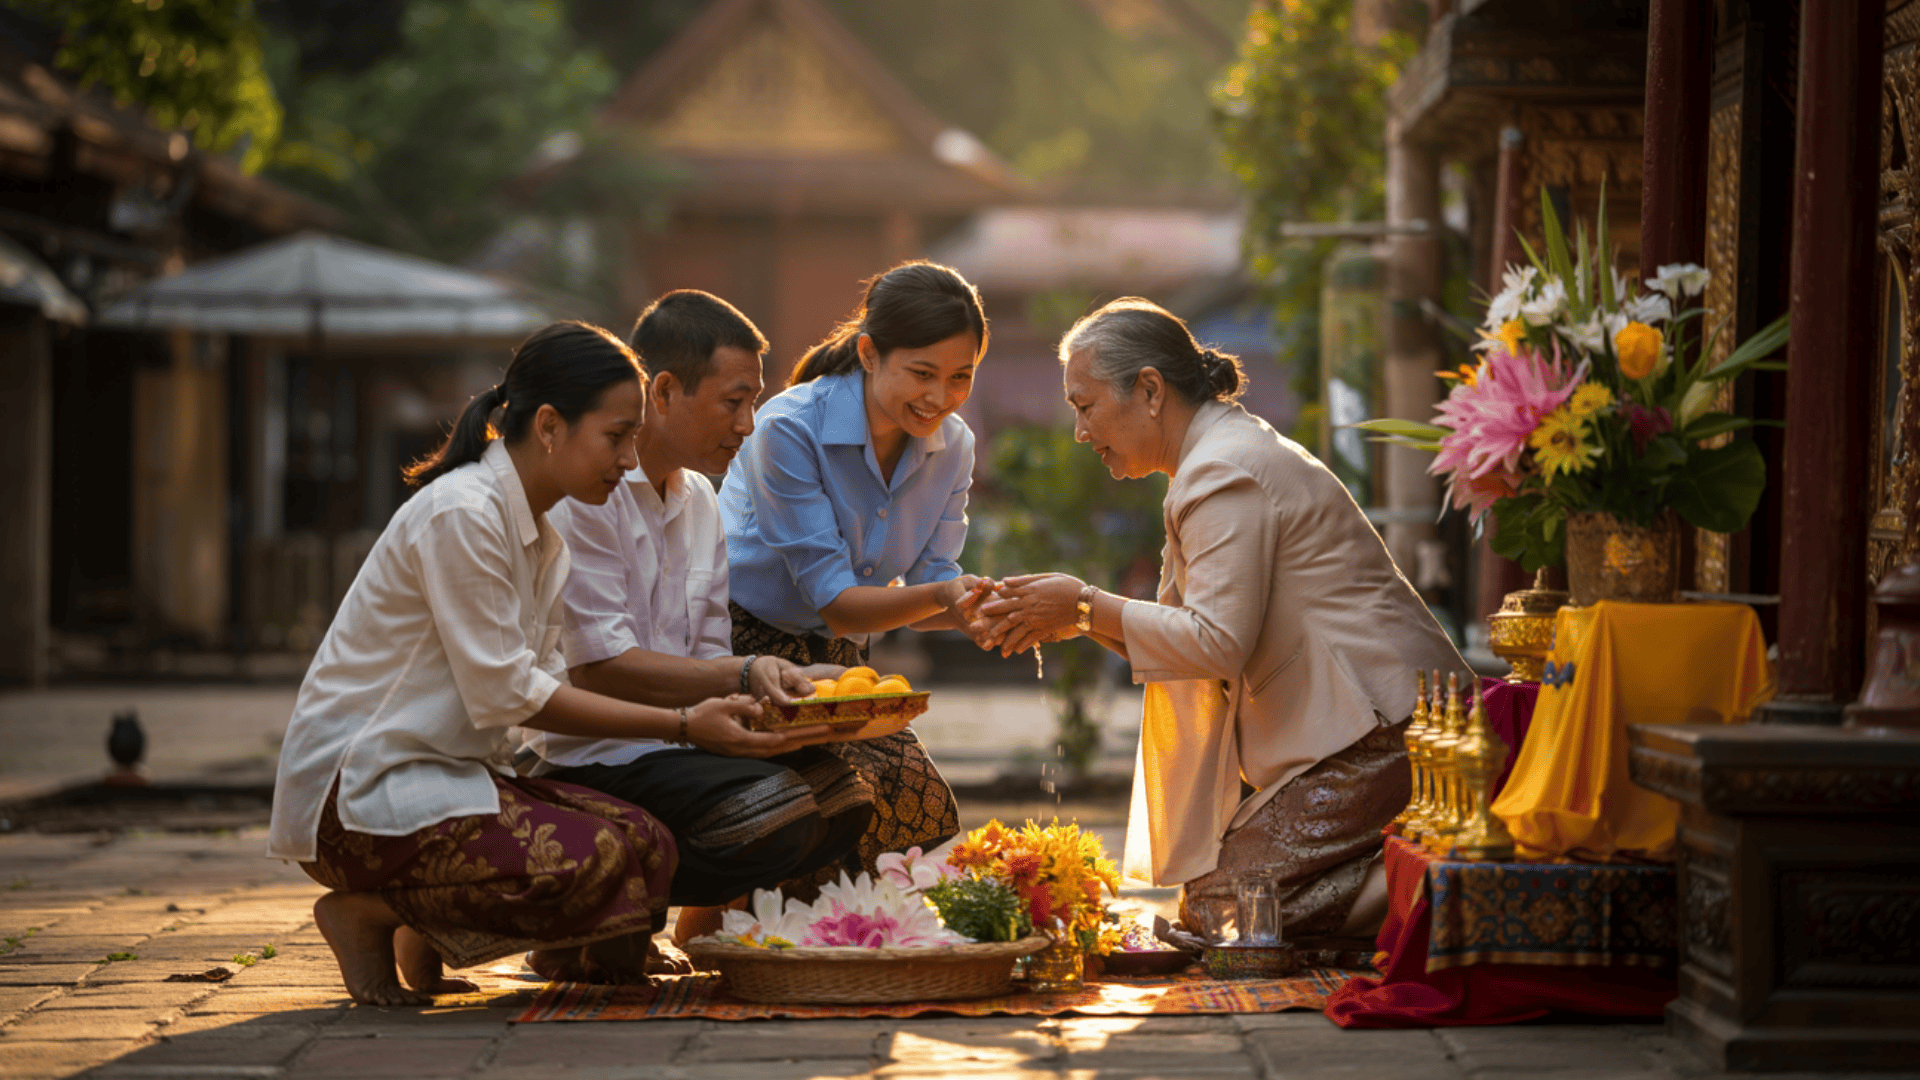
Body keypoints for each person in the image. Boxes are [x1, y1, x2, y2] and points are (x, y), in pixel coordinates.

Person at [267, 322, 821, 1005]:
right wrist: (682, 724)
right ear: (551, 426)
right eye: (616, 437)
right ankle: (373, 913)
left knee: (646, 842)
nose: (628, 459)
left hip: (452, 778)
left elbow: (537, 687)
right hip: (358, 795)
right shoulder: (462, 514)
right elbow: (513, 693)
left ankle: (443, 926)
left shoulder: (540, 530)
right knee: (599, 858)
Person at [977, 299, 1465, 942]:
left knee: (1229, 910)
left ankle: (1445, 880)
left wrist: (1085, 605)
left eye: (1085, 406)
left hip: (1391, 728)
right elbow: (1186, 640)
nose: (1079, 431)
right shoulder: (1215, 456)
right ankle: (1417, 867)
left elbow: (1215, 643)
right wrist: (1079, 619)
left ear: (1150, 390)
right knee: (1219, 903)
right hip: (1376, 725)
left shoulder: (1221, 468)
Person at [528, 291, 873, 944]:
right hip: (593, 753)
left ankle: (642, 923)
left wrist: (795, 694)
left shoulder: (700, 500)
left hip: (679, 745)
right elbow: (600, 667)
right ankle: (598, 925)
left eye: (754, 403)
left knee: (842, 796)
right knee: (774, 810)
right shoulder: (587, 493)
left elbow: (710, 655)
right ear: (662, 392)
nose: (748, 424)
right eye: (733, 402)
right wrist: (747, 673)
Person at [720, 261, 995, 885]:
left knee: (917, 797)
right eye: (922, 373)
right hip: (742, 644)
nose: (940, 397)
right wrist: (945, 595)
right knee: (824, 802)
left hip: (841, 655)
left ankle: (840, 930)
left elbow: (933, 583)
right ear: (870, 354)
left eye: (961, 377)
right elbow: (840, 602)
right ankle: (735, 923)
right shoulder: (789, 428)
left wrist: (984, 608)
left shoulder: (953, 445)